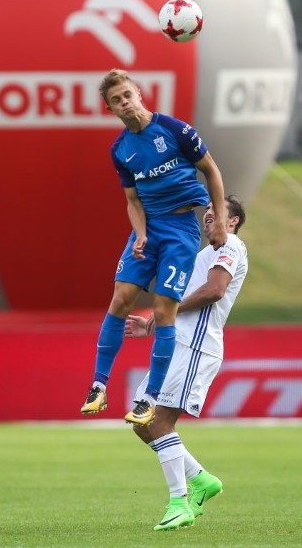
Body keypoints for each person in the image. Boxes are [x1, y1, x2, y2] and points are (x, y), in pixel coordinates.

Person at [80, 68, 228, 426]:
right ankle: (98, 386)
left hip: (180, 230)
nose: (124, 103)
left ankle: (150, 398)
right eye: (116, 100)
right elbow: (132, 200)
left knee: (163, 311)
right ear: (111, 109)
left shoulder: (175, 130)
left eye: (127, 95)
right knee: (120, 298)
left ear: (139, 94)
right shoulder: (120, 150)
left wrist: (220, 219)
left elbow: (212, 171)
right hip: (148, 231)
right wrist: (140, 232)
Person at [124, 195, 249, 531]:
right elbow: (182, 304)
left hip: (197, 346)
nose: (208, 216)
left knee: (160, 419)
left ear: (233, 221)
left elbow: (214, 291)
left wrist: (169, 312)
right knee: (142, 422)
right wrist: (153, 323)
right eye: (206, 211)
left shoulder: (232, 246)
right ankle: (201, 479)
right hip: (177, 344)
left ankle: (179, 501)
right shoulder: (203, 255)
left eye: (217, 212)